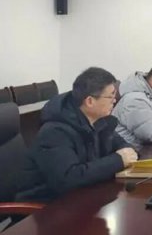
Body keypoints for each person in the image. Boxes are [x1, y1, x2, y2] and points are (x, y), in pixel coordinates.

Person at [16, 67, 138, 202]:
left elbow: (120, 143)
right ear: (90, 101)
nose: (114, 100)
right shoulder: (55, 132)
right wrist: (118, 160)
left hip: (81, 197)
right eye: (110, 96)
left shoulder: (100, 121)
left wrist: (128, 152)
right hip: (47, 206)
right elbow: (68, 178)